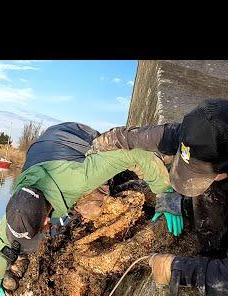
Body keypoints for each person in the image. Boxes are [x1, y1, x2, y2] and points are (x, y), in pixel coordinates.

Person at [0, 121, 174, 296]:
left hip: (77, 137)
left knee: (91, 208)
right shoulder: (22, 202)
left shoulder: (79, 179)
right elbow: (2, 236)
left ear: (45, 220)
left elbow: (134, 154)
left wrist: (165, 194)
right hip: (44, 147)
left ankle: (115, 178)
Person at [89, 98, 228, 255]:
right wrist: (93, 154)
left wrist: (180, 269)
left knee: (213, 235)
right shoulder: (185, 135)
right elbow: (129, 137)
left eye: (199, 173)